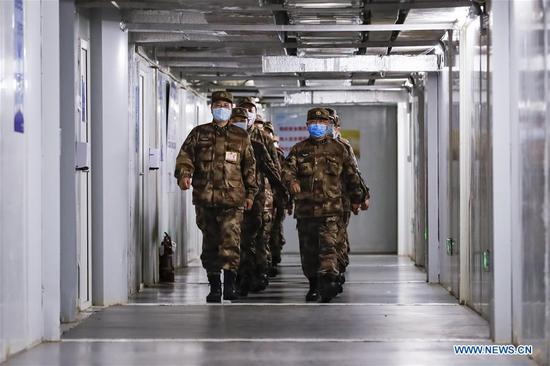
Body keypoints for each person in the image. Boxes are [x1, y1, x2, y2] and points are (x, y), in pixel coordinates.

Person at [174, 91, 258, 303]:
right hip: (206, 199)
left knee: (231, 240)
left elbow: (249, 167)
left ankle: (229, 286)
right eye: (218, 104)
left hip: (233, 200)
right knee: (210, 243)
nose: (222, 108)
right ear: (211, 108)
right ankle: (214, 287)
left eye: (226, 105)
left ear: (231, 109)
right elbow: (185, 157)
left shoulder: (241, 137)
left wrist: (251, 194)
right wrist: (185, 175)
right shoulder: (198, 133)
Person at [283, 107, 363, 303]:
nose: (317, 126)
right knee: (309, 251)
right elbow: (286, 170)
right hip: (306, 210)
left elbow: (352, 177)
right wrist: (291, 181)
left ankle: (327, 283)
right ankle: (313, 286)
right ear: (307, 126)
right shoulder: (299, 150)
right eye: (313, 123)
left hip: (331, 210)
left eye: (322, 123)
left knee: (328, 248)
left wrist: (358, 198)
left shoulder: (339, 149)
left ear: (328, 125)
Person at [229, 107, 284, 296]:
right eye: (235, 119)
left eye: (242, 119)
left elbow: (273, 170)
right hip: (230, 200)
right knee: (234, 241)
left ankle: (254, 274)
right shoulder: (223, 143)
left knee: (253, 239)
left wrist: (281, 195)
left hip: (256, 199)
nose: (239, 122)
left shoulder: (259, 145)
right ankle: (237, 277)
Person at [325, 108, 370, 292]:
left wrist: (361, 196)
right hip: (318, 201)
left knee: (339, 238)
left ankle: (338, 269)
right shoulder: (309, 147)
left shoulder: (344, 146)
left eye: (330, 124)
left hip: (340, 201)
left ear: (337, 127)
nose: (326, 128)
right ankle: (327, 274)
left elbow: (355, 173)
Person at [264, 122, 287, 276]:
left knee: (273, 231)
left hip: (274, 199)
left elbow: (282, 177)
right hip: (259, 199)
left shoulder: (277, 154)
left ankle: (272, 258)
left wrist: (286, 201)